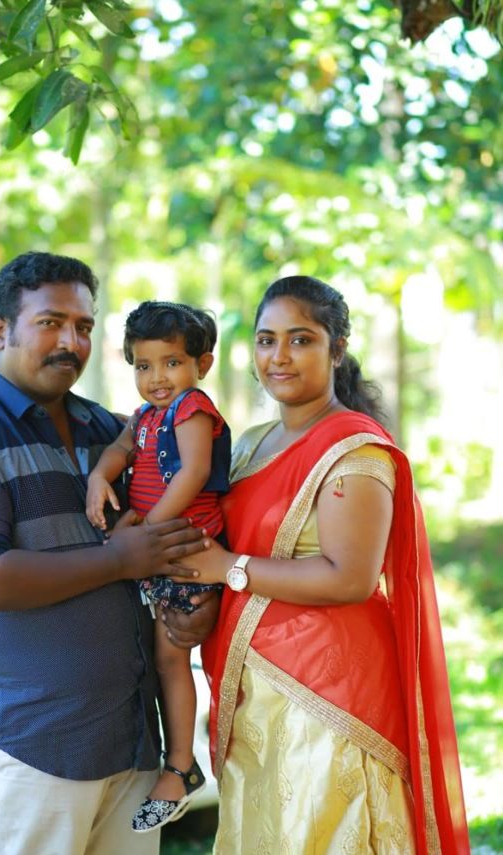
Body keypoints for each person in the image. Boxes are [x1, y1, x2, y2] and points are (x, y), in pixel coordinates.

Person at [0, 252, 216, 855]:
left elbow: (168, 539)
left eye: (83, 326)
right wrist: (121, 559)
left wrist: (190, 609)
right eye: (50, 323)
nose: (71, 342)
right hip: (32, 749)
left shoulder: (111, 430)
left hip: (131, 742)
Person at [177, 275, 470, 854]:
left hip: (330, 698)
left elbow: (350, 577)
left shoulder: (356, 449)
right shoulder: (250, 444)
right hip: (255, 690)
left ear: (337, 350)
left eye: (301, 339)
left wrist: (229, 567)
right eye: (266, 340)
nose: (279, 356)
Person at [85, 301, 230, 833]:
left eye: (171, 363)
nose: (157, 378)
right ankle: (176, 763)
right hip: (158, 551)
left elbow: (193, 473)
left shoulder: (192, 409)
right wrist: (99, 477)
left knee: (172, 660)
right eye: (144, 366)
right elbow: (120, 448)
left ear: (201, 365)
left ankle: (181, 768)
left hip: (186, 552)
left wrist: (146, 530)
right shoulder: (146, 417)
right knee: (162, 659)